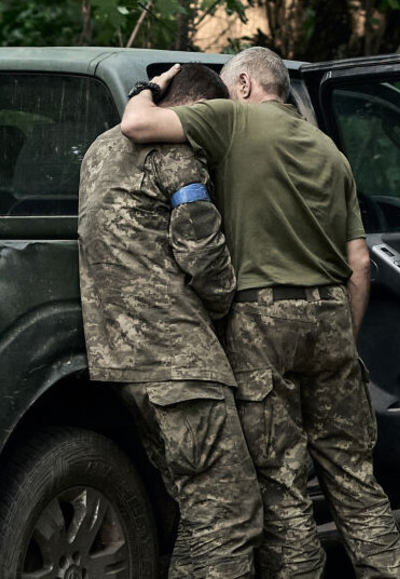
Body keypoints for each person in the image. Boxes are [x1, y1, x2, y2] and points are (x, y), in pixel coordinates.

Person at [119, 48, 400, 579]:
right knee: (356, 481)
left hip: (262, 318)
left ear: (247, 85)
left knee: (282, 483)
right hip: (332, 317)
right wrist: (343, 339)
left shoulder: (233, 119)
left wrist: (154, 86)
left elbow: (137, 125)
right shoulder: (330, 152)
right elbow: (360, 263)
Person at [77, 64, 262, 579]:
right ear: (200, 111)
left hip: (120, 359)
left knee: (197, 509)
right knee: (229, 516)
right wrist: (225, 304)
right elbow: (202, 253)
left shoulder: (99, 150)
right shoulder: (178, 155)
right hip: (178, 361)